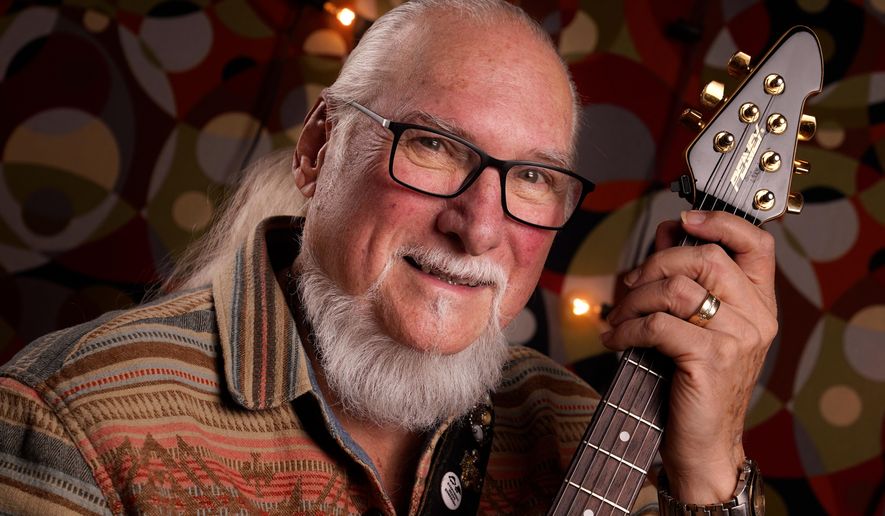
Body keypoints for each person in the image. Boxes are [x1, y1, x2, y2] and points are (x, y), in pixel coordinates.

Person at [0, 1, 777, 514]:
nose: (477, 229)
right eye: (435, 146)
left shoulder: (586, 436)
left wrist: (709, 476)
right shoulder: (73, 420)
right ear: (316, 149)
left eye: (532, 178)